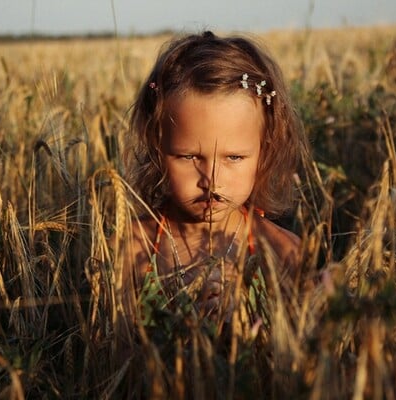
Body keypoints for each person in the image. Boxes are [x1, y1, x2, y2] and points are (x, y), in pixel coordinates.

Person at [121, 31, 303, 327]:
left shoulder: (282, 252)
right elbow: (109, 356)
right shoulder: (132, 248)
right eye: (190, 156)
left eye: (234, 158)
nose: (212, 180)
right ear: (157, 146)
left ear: (265, 150)